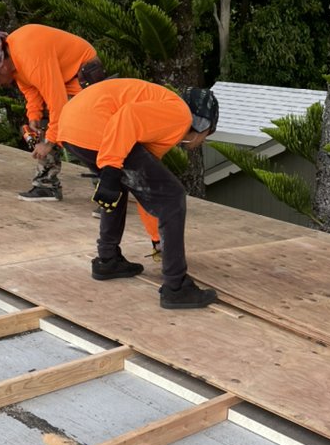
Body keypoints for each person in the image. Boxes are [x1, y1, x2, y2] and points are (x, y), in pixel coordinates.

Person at [58, 78, 219, 310]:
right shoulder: (179, 115)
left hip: (75, 129)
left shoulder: (162, 116)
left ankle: (108, 259)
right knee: (173, 196)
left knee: (122, 189)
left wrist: (157, 239)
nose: (202, 142)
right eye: (207, 136)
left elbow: (144, 188)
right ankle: (176, 287)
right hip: (96, 128)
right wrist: (112, 168)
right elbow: (128, 116)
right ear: (204, 125)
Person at [0, 24, 104, 202]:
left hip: (81, 73)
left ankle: (108, 191)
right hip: (60, 79)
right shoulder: (14, 61)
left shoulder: (30, 56)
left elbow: (58, 102)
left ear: (1, 66)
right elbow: (31, 90)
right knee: (43, 126)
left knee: (81, 132)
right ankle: (46, 186)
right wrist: (34, 118)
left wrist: (49, 143)